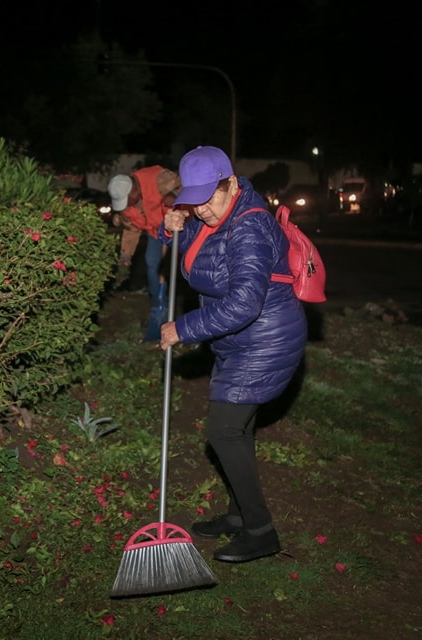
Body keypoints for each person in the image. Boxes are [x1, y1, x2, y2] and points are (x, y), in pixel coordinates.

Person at [158, 145, 308, 563]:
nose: (202, 208)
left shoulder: (249, 227)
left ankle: (261, 531)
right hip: (237, 341)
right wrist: (170, 227)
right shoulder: (213, 218)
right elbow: (196, 256)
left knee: (224, 431)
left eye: (211, 197)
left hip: (266, 340)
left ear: (233, 184)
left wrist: (182, 329)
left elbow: (245, 303)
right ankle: (239, 516)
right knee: (236, 432)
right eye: (194, 199)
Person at [108, 166, 181, 341]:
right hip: (157, 233)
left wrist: (177, 197)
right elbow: (131, 229)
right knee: (151, 264)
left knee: (180, 269)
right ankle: (159, 306)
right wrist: (126, 255)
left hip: (181, 228)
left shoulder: (159, 179)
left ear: (134, 190)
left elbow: (188, 188)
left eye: (127, 200)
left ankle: (184, 311)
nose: (126, 205)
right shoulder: (127, 205)